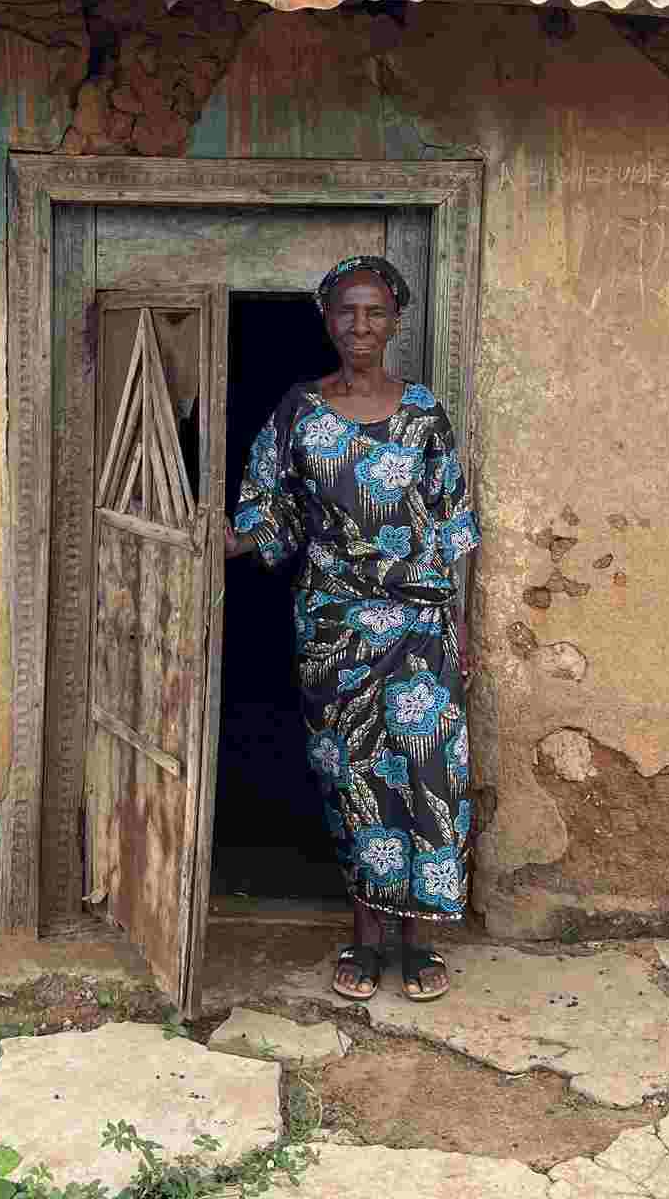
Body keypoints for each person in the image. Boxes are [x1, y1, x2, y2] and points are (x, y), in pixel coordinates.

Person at [223, 256, 480, 1003]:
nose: (360, 326)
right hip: (335, 632)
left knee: (429, 779)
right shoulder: (300, 409)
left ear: (395, 320)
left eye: (374, 313)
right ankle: (367, 941)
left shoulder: (424, 411)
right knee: (354, 781)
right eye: (346, 312)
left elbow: (452, 523)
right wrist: (222, 539)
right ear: (327, 319)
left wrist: (461, 627)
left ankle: (419, 939)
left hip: (423, 627)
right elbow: (268, 506)